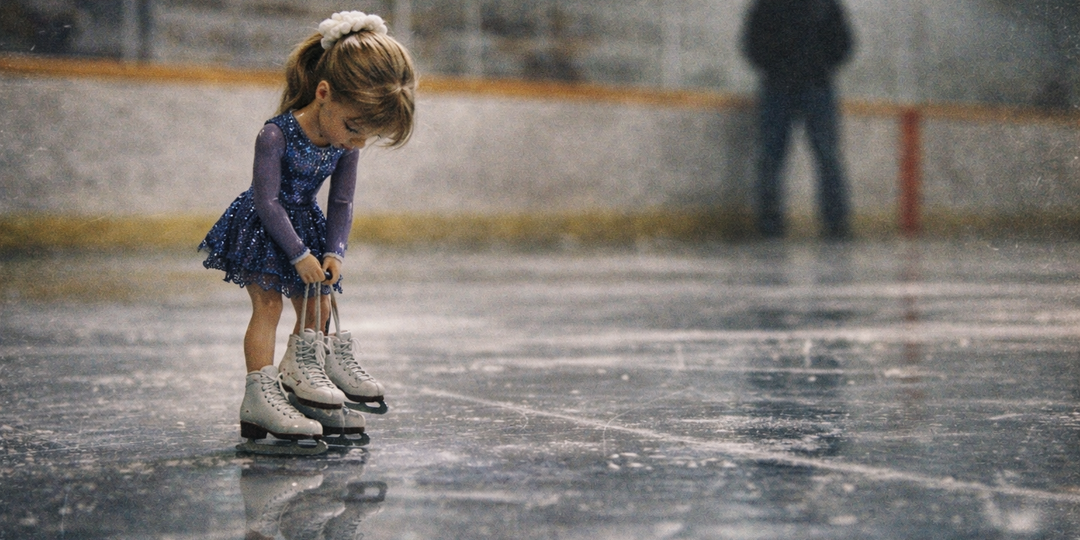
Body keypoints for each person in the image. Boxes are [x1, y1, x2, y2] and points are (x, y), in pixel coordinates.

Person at [199, 11, 416, 451]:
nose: (354, 143)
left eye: (365, 137)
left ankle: (302, 384)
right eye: (354, 128)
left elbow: (341, 202)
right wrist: (299, 253)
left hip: (306, 226)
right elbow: (267, 201)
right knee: (269, 307)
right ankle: (259, 396)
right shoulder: (275, 136)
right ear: (323, 94)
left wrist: (336, 250)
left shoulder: (344, 145)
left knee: (318, 308)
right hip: (264, 227)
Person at [741, 0, 854, 239]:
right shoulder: (768, 5)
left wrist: (815, 66)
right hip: (783, 87)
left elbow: (843, 43)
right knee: (774, 157)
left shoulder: (824, 5)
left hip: (809, 86)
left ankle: (835, 223)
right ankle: (771, 224)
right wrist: (782, 66)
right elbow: (752, 44)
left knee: (824, 155)